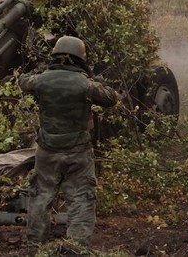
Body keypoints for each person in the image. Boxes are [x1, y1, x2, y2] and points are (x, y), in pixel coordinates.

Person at [18, 35, 118, 247]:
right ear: (80, 57)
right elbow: (111, 98)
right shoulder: (86, 84)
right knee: (81, 198)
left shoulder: (40, 80)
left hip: (47, 151)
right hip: (78, 153)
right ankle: (77, 247)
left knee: (40, 196)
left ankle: (35, 245)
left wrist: (41, 69)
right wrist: (97, 79)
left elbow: (23, 81)